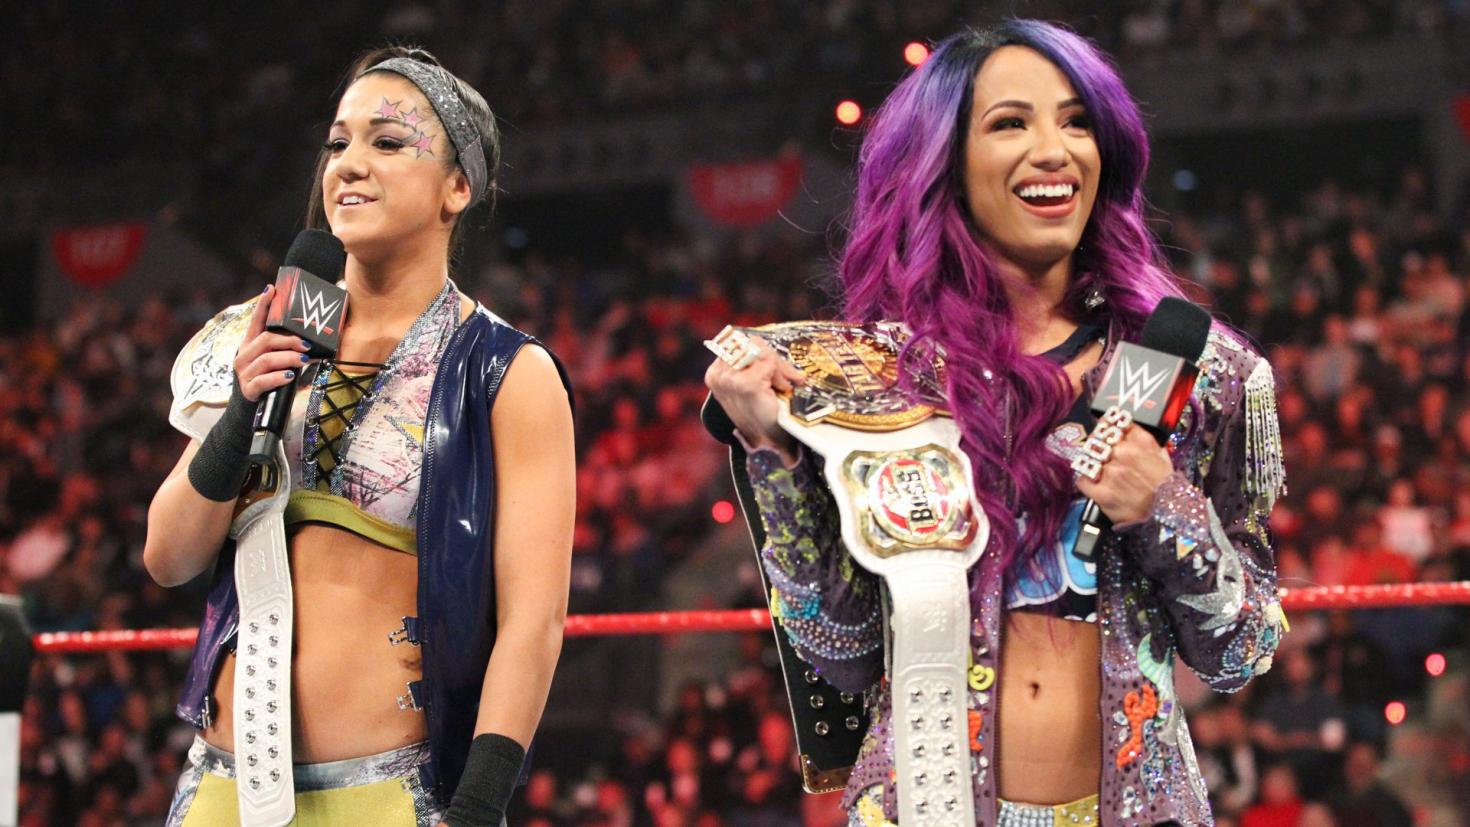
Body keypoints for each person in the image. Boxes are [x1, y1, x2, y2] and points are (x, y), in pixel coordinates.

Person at [704, 20, 1286, 827]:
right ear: (944, 161)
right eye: (1011, 123)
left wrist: (1165, 506)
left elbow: (1241, 651)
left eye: (1077, 122)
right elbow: (842, 654)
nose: (1054, 150)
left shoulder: (1185, 365)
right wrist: (774, 451)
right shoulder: (879, 377)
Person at [144, 46, 575, 826]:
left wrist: (478, 807)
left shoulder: (508, 374)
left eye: (388, 141)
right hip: (221, 788)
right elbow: (168, 556)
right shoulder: (261, 332)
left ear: (457, 187)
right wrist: (241, 409)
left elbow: (532, 621)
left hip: (389, 795)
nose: (348, 164)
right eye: (337, 142)